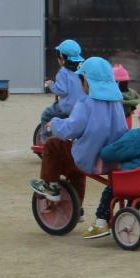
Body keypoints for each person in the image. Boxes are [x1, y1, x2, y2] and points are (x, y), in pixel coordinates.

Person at [30, 56, 128, 223]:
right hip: (110, 158)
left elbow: (72, 128)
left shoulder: (86, 103)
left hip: (91, 158)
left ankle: (50, 186)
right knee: (75, 165)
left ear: (86, 81)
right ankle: (77, 210)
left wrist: (54, 124)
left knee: (54, 145)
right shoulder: (117, 103)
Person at [87, 93, 140, 238]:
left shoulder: (137, 137)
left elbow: (109, 153)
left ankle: (101, 221)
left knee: (111, 189)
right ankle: (131, 213)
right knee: (136, 187)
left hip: (138, 181)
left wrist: (102, 151)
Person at [40, 40, 85, 128]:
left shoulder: (63, 72)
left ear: (60, 57)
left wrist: (51, 85)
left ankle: (45, 136)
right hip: (82, 107)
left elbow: (61, 91)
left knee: (46, 115)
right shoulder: (84, 69)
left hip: (68, 108)